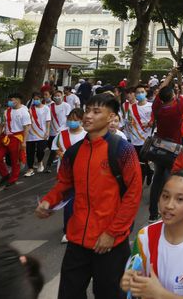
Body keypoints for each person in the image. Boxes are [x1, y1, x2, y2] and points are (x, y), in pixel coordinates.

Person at [35, 93, 142, 299]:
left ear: (111, 117)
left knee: (109, 294)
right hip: (77, 240)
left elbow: (133, 193)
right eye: (87, 110)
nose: (88, 116)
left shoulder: (123, 150)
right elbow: (65, 183)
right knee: (69, 294)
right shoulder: (73, 152)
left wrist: (112, 232)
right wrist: (49, 200)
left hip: (110, 243)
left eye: (96, 111)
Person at [122, 169, 183, 298]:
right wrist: (130, 281)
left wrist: (160, 294)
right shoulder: (145, 236)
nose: (169, 205)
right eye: (165, 196)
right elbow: (134, 275)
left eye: (180, 199)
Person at [150, 68, 183, 223]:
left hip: (158, 147)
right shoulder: (177, 109)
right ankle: (168, 209)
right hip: (173, 149)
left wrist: (171, 75)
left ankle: (153, 213)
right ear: (173, 96)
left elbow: (160, 90)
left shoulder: (158, 108)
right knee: (169, 178)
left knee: (157, 178)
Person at [51, 108, 87, 243]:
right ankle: (68, 230)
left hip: (83, 174)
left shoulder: (86, 135)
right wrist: (63, 156)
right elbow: (56, 150)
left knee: (82, 202)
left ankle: (81, 225)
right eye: (70, 119)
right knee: (68, 203)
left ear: (82, 121)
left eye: (76, 120)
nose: (72, 122)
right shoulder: (61, 134)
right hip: (66, 174)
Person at [0, 93, 30, 188]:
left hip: (17, 138)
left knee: (15, 160)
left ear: (17, 100)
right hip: (5, 137)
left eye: (11, 100)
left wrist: (24, 142)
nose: (9, 102)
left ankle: (13, 178)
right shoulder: (6, 111)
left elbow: (26, 128)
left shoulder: (24, 112)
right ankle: (5, 175)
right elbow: (1, 126)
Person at [39, 89, 71, 174]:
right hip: (51, 131)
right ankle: (58, 156)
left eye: (59, 95)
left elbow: (68, 118)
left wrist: (66, 128)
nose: (57, 97)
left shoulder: (66, 106)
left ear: (62, 96)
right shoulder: (50, 106)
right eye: (55, 96)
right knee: (51, 146)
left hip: (62, 130)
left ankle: (48, 166)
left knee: (53, 148)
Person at [24, 92, 51, 177]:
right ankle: (30, 168)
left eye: (37, 99)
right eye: (34, 99)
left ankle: (40, 162)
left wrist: (47, 131)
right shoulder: (29, 109)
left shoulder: (46, 108)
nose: (36, 101)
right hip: (30, 133)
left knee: (40, 150)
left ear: (41, 99)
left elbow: (48, 121)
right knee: (30, 152)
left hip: (42, 134)